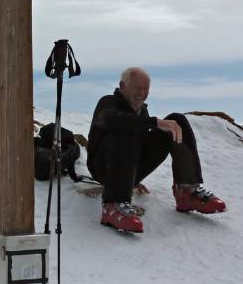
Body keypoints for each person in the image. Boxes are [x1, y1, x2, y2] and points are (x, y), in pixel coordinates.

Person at [86, 67, 226, 232]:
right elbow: (110, 120)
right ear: (123, 86)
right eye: (137, 87)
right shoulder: (107, 103)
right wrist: (154, 122)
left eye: (146, 89)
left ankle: (187, 190)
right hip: (104, 169)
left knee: (176, 121)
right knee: (127, 126)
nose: (142, 93)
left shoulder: (142, 110)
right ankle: (113, 205)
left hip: (130, 170)